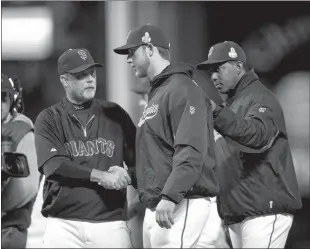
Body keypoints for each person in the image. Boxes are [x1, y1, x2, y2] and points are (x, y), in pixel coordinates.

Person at [114, 24, 219, 248]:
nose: (128, 59)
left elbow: (190, 150)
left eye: (132, 52)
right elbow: (159, 157)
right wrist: (130, 174)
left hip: (181, 201)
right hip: (161, 205)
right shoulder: (160, 92)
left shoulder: (183, 88)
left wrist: (170, 196)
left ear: (150, 49)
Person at [196, 41, 303, 248]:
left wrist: (215, 112)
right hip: (238, 211)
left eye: (219, 68)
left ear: (238, 67)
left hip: (263, 209)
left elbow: (256, 137)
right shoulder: (234, 104)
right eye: (210, 71)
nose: (213, 76)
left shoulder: (260, 97)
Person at [34, 48, 137, 248]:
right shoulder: (49, 118)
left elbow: (142, 162)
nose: (90, 79)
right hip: (64, 225)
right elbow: (53, 166)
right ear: (65, 80)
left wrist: (128, 175)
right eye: (81, 75)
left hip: (110, 223)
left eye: (92, 73)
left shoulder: (115, 114)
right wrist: (101, 176)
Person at [1, 73, 40, 248]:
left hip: (8, 227)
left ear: (12, 102)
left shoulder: (20, 130)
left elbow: (26, 187)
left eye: (2, 98)